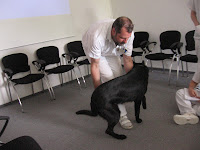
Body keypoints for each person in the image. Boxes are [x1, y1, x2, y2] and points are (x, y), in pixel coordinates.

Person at [82, 16, 134, 129]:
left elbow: (127, 59)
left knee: (119, 77)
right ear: (114, 30)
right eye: (122, 38)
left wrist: (131, 82)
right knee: (110, 80)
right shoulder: (96, 37)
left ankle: (115, 104)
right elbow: (95, 65)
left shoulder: (128, 35)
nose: (126, 41)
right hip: (97, 50)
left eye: (127, 38)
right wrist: (98, 93)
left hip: (113, 48)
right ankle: (122, 116)